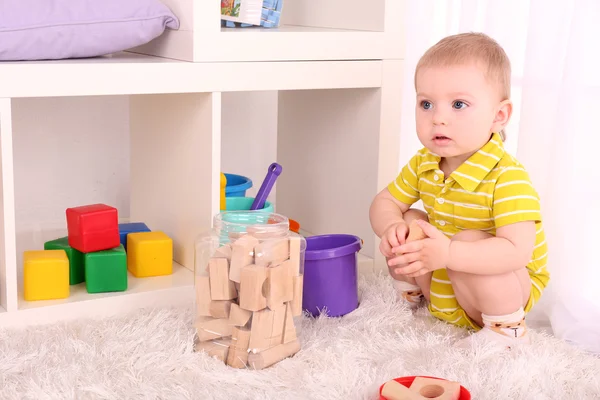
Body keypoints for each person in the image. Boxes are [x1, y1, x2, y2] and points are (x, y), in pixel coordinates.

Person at [369, 32, 550, 348]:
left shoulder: (506, 176)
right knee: (410, 220)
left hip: (500, 292)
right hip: (442, 281)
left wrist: (451, 253)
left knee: (467, 241)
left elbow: (516, 251)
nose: (438, 118)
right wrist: (393, 227)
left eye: (458, 104)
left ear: (498, 116)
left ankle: (504, 332)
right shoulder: (425, 161)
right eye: (426, 103)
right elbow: (384, 201)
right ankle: (414, 298)